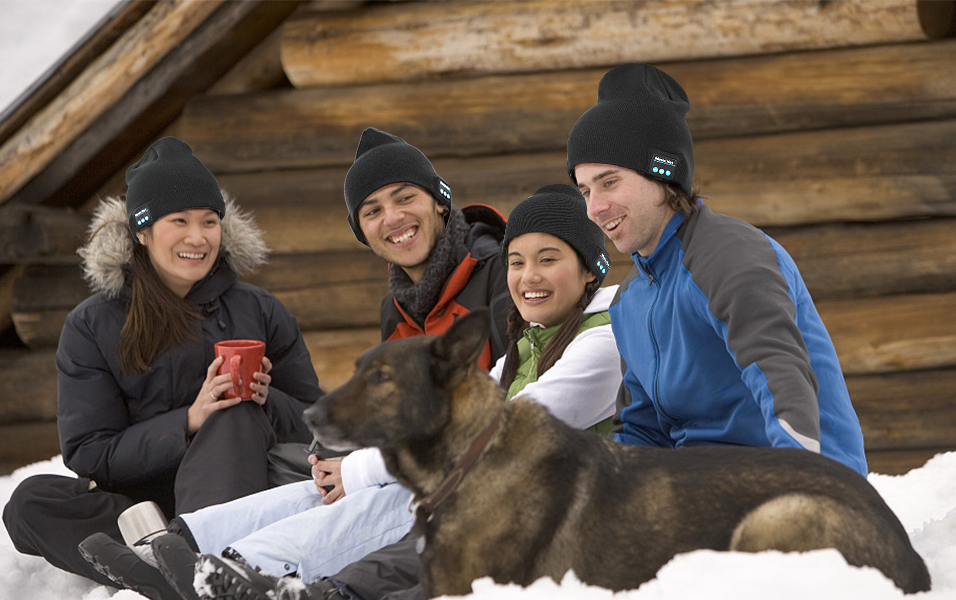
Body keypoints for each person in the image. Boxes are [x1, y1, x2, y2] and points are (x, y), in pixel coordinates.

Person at [187, 184, 624, 600]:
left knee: (392, 491)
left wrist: (362, 469)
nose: (529, 276)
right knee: (327, 486)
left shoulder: (604, 341)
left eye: (548, 260)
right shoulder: (529, 340)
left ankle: (251, 566)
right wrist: (353, 467)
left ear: (589, 269)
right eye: (517, 262)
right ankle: (190, 540)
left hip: (546, 509)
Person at [1, 137, 324, 600]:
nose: (198, 237)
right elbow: (89, 452)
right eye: (180, 221)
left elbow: (317, 424)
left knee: (235, 414)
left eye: (209, 222)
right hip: (142, 506)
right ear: (142, 231)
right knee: (31, 503)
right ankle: (180, 564)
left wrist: (265, 400)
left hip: (241, 488)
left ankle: (182, 564)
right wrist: (189, 422)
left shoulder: (261, 310)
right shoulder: (93, 324)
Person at [566, 62, 867, 475]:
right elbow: (642, 433)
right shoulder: (631, 300)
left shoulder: (728, 255)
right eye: (585, 191)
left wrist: (804, 498)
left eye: (609, 182)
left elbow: (783, 383)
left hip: (798, 486)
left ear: (662, 174)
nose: (594, 208)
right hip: (704, 492)